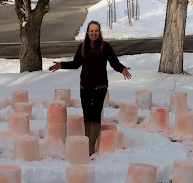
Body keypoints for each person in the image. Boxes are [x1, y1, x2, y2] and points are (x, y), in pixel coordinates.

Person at [49, 21, 131, 155]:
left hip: (100, 86)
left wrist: (122, 69)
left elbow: (114, 62)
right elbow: (76, 64)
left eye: (96, 31)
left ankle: (90, 149)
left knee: (95, 115)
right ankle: (87, 143)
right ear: (87, 32)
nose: (94, 33)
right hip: (85, 86)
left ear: (99, 32)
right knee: (87, 115)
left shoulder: (105, 46)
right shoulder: (82, 47)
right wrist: (61, 65)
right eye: (91, 31)